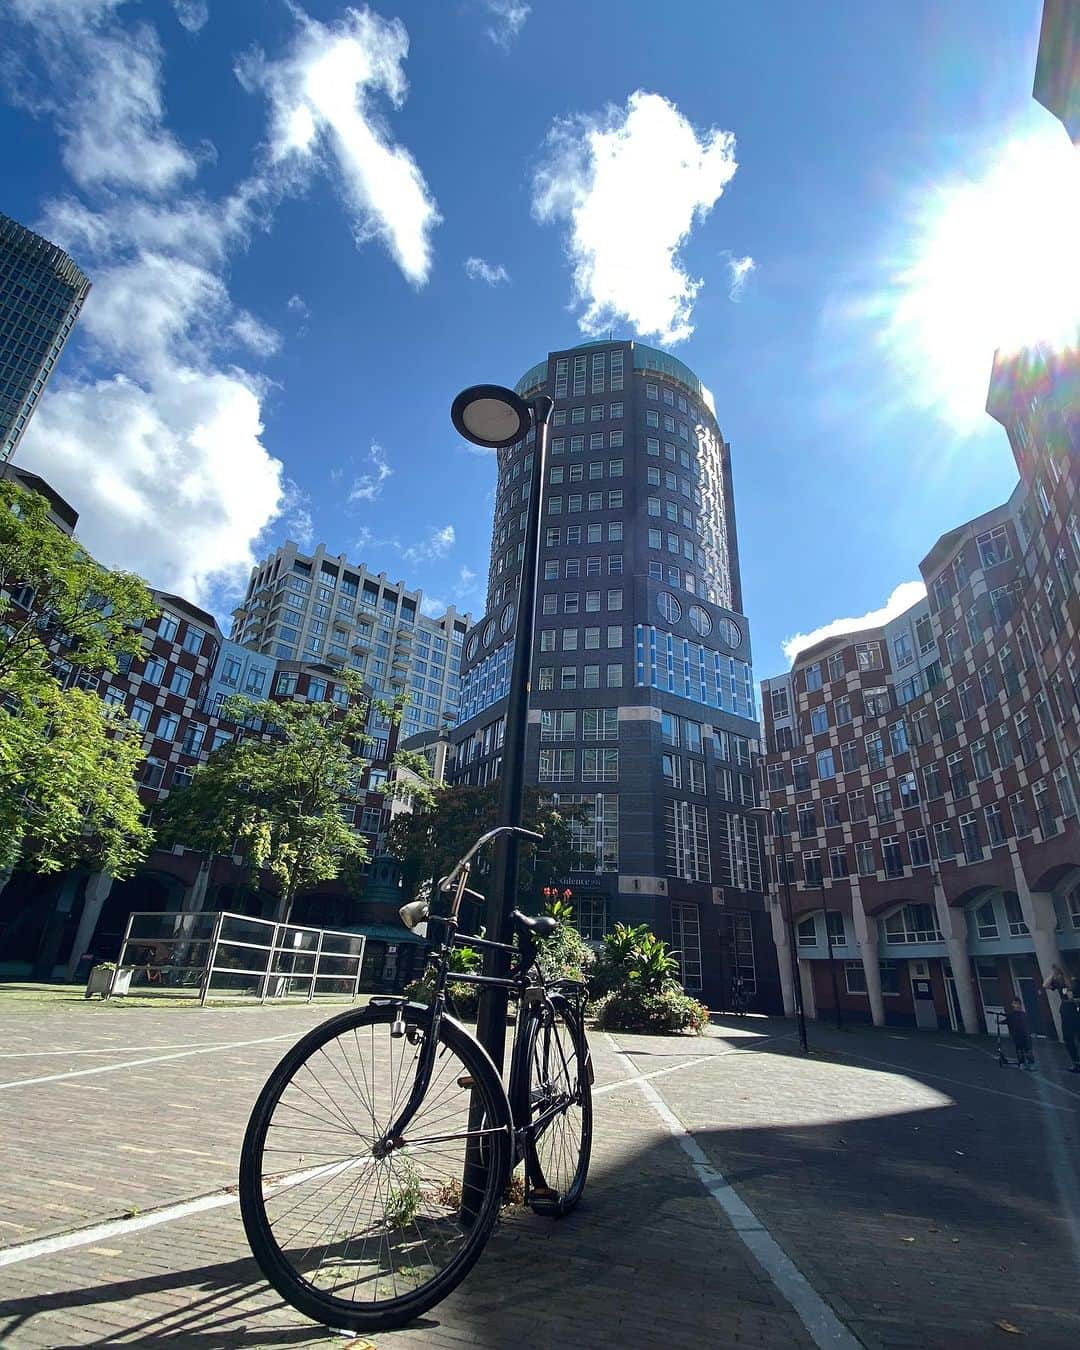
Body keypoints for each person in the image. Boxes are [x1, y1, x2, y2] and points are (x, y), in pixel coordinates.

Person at [1004, 999, 1035, 1070]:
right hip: (1017, 1035)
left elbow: (1028, 1024)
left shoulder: (1023, 1014)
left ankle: (1031, 1063)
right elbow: (1007, 1020)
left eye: (1014, 1003)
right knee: (1019, 1050)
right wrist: (999, 1022)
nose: (1013, 1005)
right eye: (1013, 1004)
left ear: (1019, 1004)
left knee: (1028, 1049)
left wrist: (1029, 1032)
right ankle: (1022, 1063)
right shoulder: (1012, 1015)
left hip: (1025, 1034)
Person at [1059, 990, 1080, 1075]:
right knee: (1068, 1039)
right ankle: (1076, 1063)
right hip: (1067, 1015)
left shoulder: (1076, 982)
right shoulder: (1060, 981)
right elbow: (1045, 985)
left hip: (1076, 1013)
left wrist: (1074, 1000)